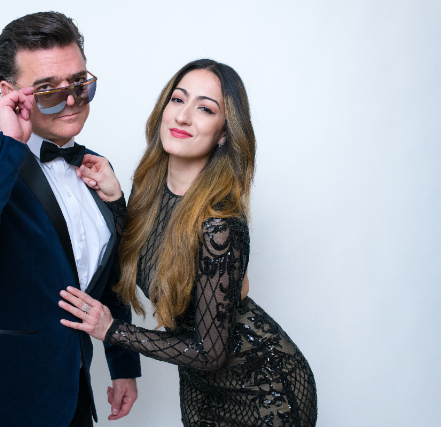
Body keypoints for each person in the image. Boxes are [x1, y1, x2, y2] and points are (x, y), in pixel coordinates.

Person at [59, 59, 318, 426]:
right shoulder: (150, 189)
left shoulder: (220, 224)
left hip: (264, 389)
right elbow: (145, 260)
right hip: (199, 383)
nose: (183, 117)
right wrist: (117, 201)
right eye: (178, 100)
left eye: (205, 109)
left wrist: (113, 330)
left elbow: (210, 352)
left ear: (224, 133)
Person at [0, 12, 141, 427]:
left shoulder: (93, 166)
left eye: (80, 83)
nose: (71, 101)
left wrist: (122, 362)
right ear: (9, 93)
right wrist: (4, 147)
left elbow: (108, 275)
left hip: (71, 396)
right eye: (49, 90)